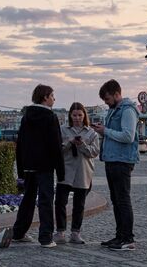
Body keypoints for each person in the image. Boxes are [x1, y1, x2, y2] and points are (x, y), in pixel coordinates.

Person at [12, 84, 65, 248]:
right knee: (46, 201)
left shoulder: (26, 116)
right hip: (45, 166)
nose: (54, 99)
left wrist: (21, 168)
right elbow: (55, 145)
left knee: (27, 200)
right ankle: (46, 237)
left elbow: (20, 143)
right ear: (45, 97)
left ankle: (18, 233)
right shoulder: (50, 117)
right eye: (52, 96)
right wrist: (61, 171)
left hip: (28, 166)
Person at [91, 79, 139, 251]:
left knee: (123, 200)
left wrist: (106, 131)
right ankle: (120, 236)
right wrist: (103, 129)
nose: (106, 103)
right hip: (112, 159)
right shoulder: (115, 110)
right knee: (116, 200)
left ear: (117, 94)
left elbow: (128, 136)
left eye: (108, 99)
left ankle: (127, 238)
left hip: (122, 160)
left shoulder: (127, 110)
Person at [54, 102, 99, 245]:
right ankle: (60, 231)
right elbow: (57, 151)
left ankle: (75, 232)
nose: (77, 118)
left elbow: (94, 152)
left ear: (84, 115)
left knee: (79, 204)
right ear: (70, 116)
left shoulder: (91, 133)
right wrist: (69, 143)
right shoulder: (62, 130)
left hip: (83, 172)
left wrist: (82, 145)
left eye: (80, 115)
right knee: (60, 202)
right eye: (74, 115)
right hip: (66, 171)